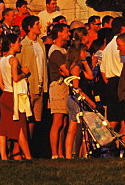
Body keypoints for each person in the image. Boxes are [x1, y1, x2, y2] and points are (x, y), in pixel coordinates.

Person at [0, 33, 32, 161]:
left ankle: (3, 156)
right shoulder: (13, 60)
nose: (20, 44)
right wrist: (24, 73)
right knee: (20, 126)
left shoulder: (2, 60)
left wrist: (6, 89)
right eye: (18, 42)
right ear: (12, 44)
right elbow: (15, 78)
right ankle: (28, 156)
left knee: (3, 127)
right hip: (14, 96)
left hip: (5, 93)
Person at [19, 16, 48, 152]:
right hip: (29, 85)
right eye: (37, 24)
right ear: (30, 27)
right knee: (26, 118)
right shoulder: (23, 45)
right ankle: (23, 148)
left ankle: (30, 146)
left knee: (35, 119)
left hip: (40, 85)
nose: (39, 27)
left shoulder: (41, 44)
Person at [64, 41, 95, 159]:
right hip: (76, 99)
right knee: (73, 128)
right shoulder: (75, 67)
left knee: (77, 127)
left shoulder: (78, 66)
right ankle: (69, 154)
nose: (86, 53)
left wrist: (85, 63)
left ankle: (78, 153)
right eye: (84, 51)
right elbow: (76, 87)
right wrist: (89, 101)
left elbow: (90, 76)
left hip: (74, 99)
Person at [47, 23, 71, 159]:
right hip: (58, 86)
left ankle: (61, 152)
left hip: (65, 87)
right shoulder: (55, 51)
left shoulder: (63, 50)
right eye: (66, 31)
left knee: (64, 122)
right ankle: (55, 153)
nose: (68, 34)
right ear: (59, 33)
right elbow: (66, 70)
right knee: (57, 120)